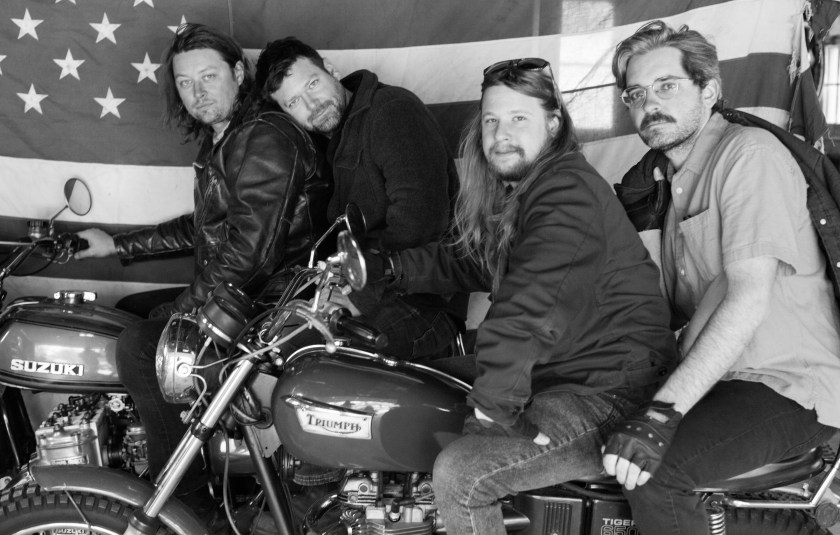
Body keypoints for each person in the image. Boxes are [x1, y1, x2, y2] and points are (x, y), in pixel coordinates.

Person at [365, 58, 677, 535]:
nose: (501, 134)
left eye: (518, 118)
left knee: (462, 475)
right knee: (406, 384)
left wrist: (495, 405)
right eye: (491, 120)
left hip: (609, 388)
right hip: (567, 364)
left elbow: (529, 306)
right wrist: (389, 268)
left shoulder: (565, 195)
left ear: (553, 124)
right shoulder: (531, 189)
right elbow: (477, 262)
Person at [74, 23, 330, 529]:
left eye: (209, 77)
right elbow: (207, 227)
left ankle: (188, 505)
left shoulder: (265, 137)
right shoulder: (231, 136)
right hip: (247, 290)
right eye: (186, 83)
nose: (198, 93)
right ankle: (186, 453)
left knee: (140, 345)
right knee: (128, 313)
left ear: (238, 73)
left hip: (271, 302)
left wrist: (183, 316)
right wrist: (117, 245)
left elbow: (251, 256)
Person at [602, 21, 840, 534]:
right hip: (723, 377)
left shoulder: (749, 155)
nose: (649, 104)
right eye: (636, 94)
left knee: (654, 473)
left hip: (788, 384)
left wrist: (659, 416)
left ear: (708, 91)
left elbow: (747, 297)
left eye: (667, 86)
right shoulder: (665, 187)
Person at [252, 38, 464, 362]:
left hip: (424, 302)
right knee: (268, 342)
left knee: (309, 358)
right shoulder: (330, 142)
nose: (312, 104)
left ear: (331, 70)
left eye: (313, 84)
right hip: (372, 291)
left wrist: (357, 299)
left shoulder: (391, 111)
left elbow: (420, 223)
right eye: (293, 102)